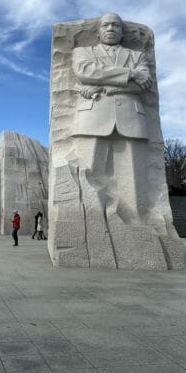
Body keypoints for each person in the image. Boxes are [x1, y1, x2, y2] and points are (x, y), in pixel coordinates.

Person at [71, 12, 153, 229]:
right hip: (93, 117)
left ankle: (136, 224)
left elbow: (144, 85)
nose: (110, 29)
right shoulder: (83, 52)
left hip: (131, 119)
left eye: (115, 25)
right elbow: (85, 72)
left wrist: (103, 85)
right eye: (105, 25)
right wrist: (130, 74)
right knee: (88, 174)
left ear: (121, 31)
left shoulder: (138, 56)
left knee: (133, 179)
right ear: (98, 31)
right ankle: (91, 224)